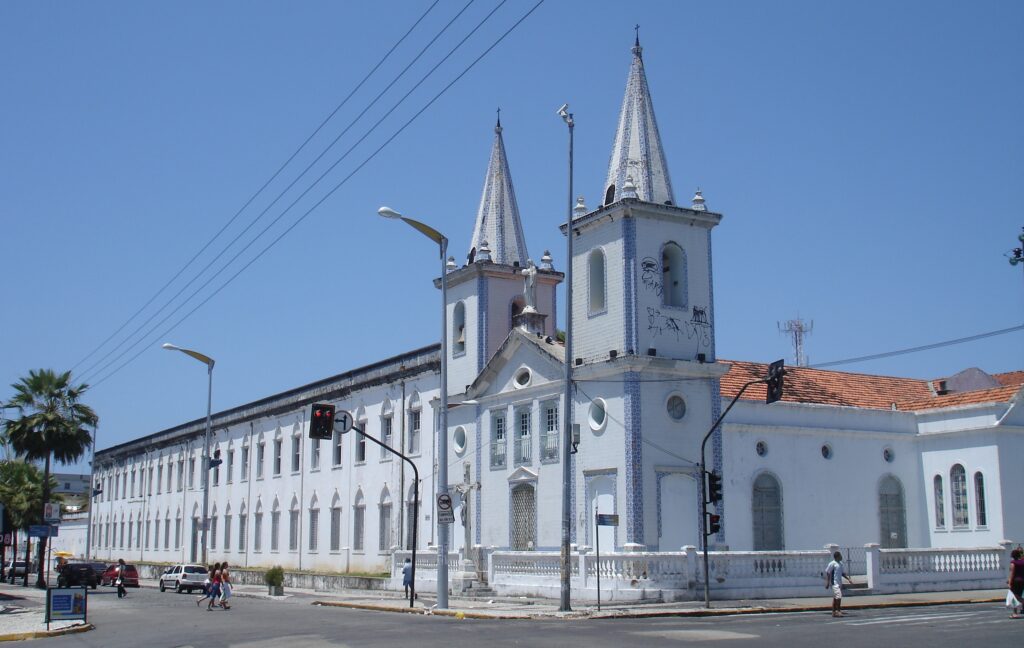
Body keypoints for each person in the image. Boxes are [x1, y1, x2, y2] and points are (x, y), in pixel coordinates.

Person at [824, 551, 852, 617]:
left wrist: (848, 579)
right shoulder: (832, 564)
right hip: (834, 583)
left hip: (839, 583)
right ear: (837, 557)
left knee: (835, 597)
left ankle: (833, 612)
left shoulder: (840, 564)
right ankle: (838, 611)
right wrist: (828, 582)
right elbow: (828, 572)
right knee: (839, 596)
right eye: (840, 556)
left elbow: (842, 573)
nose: (841, 557)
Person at [1008, 547, 1024, 619]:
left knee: (1014, 597)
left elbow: (1012, 573)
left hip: (1015, 581)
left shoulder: (1013, 563)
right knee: (1017, 596)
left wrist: (1009, 582)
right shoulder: (1022, 562)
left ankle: (1015, 613)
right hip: (1022, 581)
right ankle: (1014, 613)